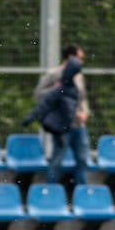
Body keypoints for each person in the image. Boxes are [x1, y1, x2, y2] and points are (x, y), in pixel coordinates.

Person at [34, 44, 90, 187]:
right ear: (70, 57)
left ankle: (82, 193)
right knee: (57, 160)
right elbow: (38, 94)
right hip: (62, 126)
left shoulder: (78, 76)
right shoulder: (54, 74)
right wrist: (54, 89)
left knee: (83, 159)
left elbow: (82, 98)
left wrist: (84, 112)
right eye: (80, 58)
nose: (82, 62)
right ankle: (51, 192)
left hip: (79, 125)